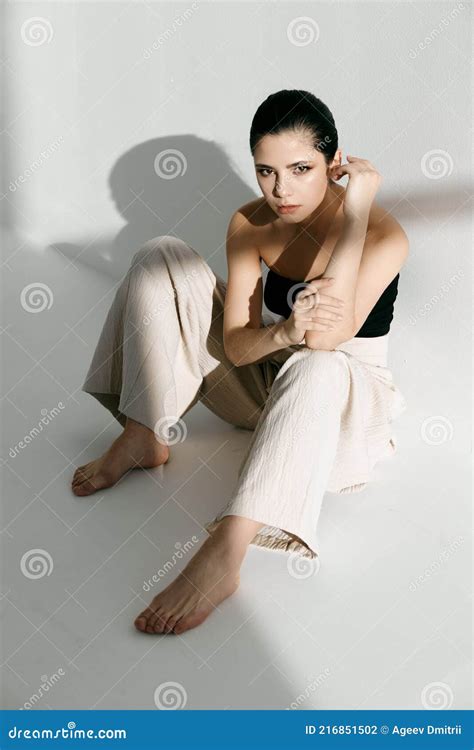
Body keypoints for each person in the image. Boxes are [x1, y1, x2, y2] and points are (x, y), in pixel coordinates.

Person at [73, 89, 408, 636]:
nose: (282, 190)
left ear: (335, 162)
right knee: (160, 256)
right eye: (266, 171)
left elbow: (326, 341)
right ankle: (143, 431)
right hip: (271, 385)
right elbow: (237, 345)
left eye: (301, 169)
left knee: (315, 364)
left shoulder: (384, 234)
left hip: (344, 408)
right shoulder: (251, 224)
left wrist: (357, 209)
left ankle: (225, 551)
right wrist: (284, 330)